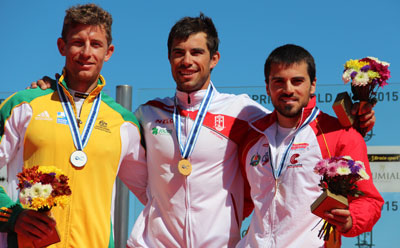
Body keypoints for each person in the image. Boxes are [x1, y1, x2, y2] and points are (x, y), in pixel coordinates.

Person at [0, 4, 146, 247]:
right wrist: (11, 214)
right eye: (78, 43)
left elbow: (159, 192)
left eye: (96, 45)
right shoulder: (23, 105)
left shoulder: (124, 123)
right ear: (62, 46)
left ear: (108, 52)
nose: (86, 53)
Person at [237, 44, 384, 247]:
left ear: (313, 85)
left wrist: (351, 219)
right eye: (279, 81)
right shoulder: (252, 138)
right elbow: (239, 202)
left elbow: (370, 200)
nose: (288, 89)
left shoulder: (339, 134)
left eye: (297, 81)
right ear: (267, 87)